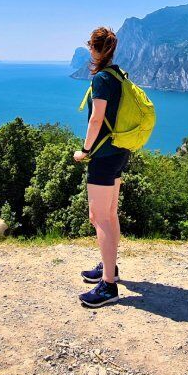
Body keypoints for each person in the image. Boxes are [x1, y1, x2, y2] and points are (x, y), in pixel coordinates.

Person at [73, 26, 129, 308]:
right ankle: (110, 267)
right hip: (119, 151)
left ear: (94, 49)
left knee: (99, 217)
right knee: (110, 213)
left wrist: (84, 151)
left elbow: (96, 119)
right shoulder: (119, 75)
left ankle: (108, 286)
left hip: (104, 156)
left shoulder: (102, 79)